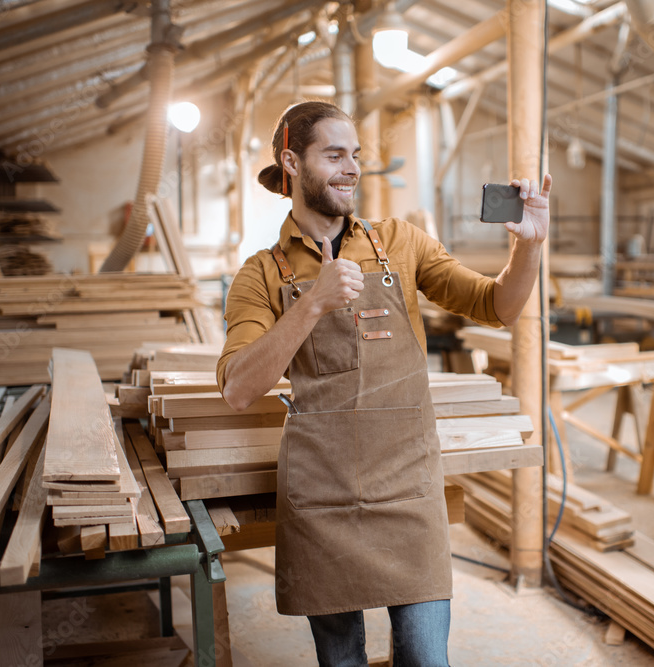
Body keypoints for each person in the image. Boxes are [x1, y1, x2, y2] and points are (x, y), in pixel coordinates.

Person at [217, 100, 551, 667]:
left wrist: (528, 246)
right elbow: (237, 388)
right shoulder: (262, 273)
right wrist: (312, 305)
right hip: (323, 496)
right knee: (341, 659)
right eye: (334, 155)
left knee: (425, 657)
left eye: (356, 156)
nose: (351, 168)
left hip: (407, 487)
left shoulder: (401, 242)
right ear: (291, 162)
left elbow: (497, 306)